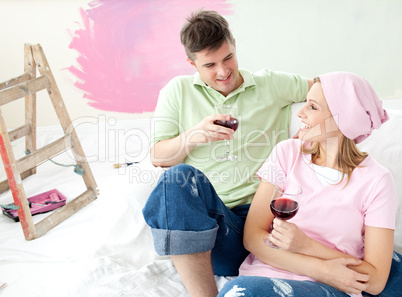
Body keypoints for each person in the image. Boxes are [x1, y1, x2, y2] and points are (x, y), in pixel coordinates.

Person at [142, 9, 313, 297]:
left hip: (264, 223)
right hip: (212, 231)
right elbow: (159, 156)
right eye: (209, 65)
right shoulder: (177, 91)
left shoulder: (270, 83)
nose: (223, 72)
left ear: (233, 44)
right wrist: (194, 135)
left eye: (228, 58)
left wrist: (309, 130)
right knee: (177, 178)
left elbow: (328, 90)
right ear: (191, 63)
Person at [218, 72, 401, 297]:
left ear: (342, 118)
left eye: (312, 107)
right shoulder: (286, 153)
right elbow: (253, 237)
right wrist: (320, 268)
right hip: (261, 278)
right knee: (239, 291)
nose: (301, 113)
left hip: (325, 288)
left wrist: (307, 246)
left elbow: (375, 280)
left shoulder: (377, 181)